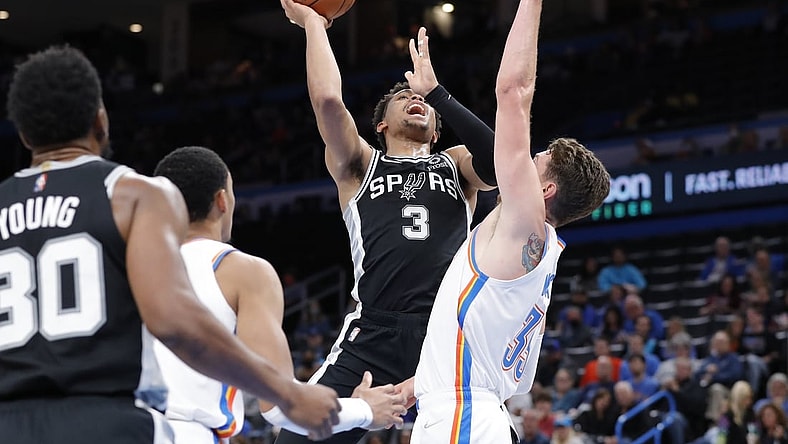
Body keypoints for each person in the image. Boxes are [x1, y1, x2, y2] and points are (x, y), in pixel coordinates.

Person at [0, 46, 340, 443]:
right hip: (108, 421)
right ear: (100, 120)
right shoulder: (133, 194)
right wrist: (285, 391)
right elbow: (174, 322)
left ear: (23, 133)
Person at [279, 0, 498, 442]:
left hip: (446, 331)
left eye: (423, 101)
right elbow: (326, 100)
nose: (415, 99)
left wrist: (439, 93)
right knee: (300, 434)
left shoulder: (455, 165)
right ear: (380, 125)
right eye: (404, 97)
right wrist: (313, 25)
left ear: (437, 130)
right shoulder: (360, 165)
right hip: (374, 330)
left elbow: (500, 165)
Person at [398, 0, 611, 441]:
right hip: (474, 411)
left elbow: (513, 91)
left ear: (545, 191)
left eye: (538, 160)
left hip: (465, 417)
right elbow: (472, 342)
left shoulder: (525, 222)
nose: (524, 159)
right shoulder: (534, 250)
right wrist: (410, 390)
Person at [152, 147, 407, 443]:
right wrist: (364, 409)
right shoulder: (242, 270)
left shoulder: (128, 268)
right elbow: (281, 407)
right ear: (223, 200)